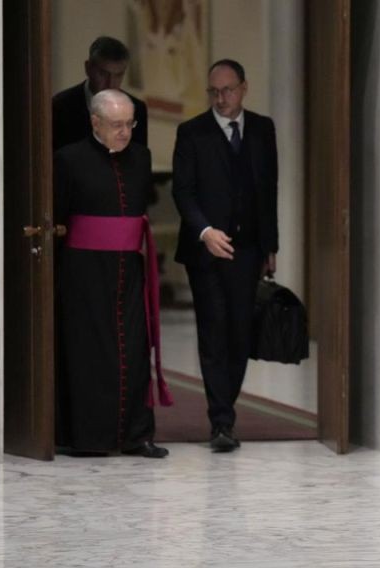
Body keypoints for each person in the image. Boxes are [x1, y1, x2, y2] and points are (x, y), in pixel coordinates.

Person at [54, 89, 172, 459]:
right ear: (95, 123)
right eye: (117, 125)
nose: (125, 133)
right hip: (84, 273)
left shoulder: (141, 157)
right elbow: (57, 218)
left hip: (129, 269)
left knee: (136, 347)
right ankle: (91, 438)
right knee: (92, 353)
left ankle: (138, 435)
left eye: (130, 124)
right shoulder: (68, 159)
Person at [171, 59, 278, 452]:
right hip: (206, 251)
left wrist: (271, 246)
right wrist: (204, 231)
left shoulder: (263, 129)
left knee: (239, 333)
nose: (221, 99)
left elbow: (269, 189)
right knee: (213, 332)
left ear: (244, 88)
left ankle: (225, 408)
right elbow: (182, 191)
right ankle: (220, 421)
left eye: (228, 90)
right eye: (214, 92)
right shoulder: (192, 132)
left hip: (248, 249)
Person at [52, 36, 148, 151]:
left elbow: (138, 161)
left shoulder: (137, 108)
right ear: (88, 68)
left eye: (118, 75)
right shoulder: (61, 106)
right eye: (103, 74)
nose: (110, 83)